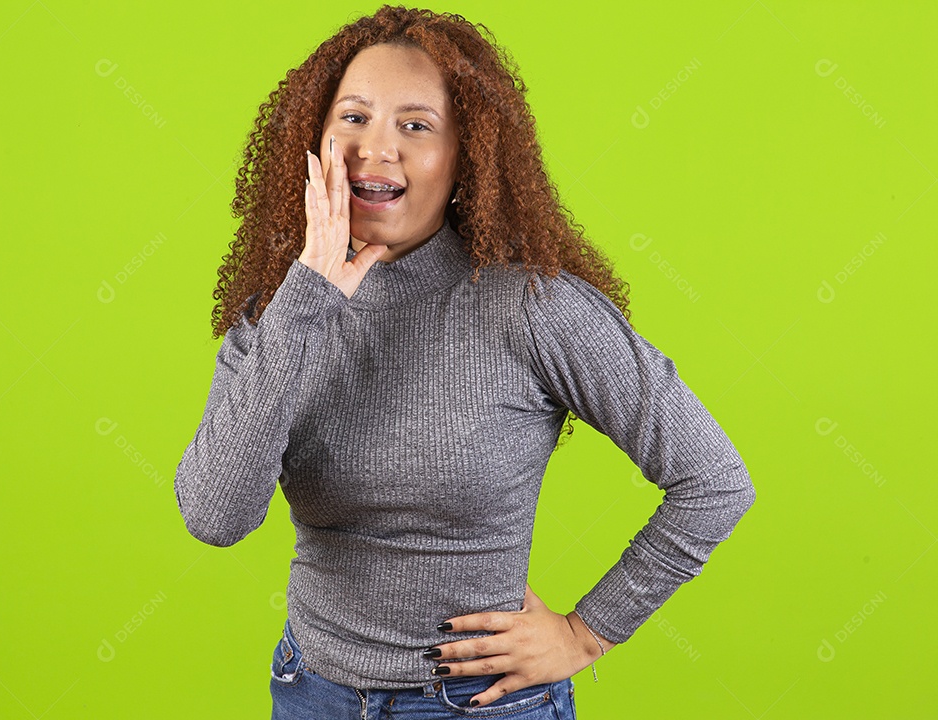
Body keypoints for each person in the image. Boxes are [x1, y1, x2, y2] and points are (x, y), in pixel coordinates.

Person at [173, 5, 756, 718]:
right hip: (311, 693)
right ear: (317, 139)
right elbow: (215, 515)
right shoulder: (279, 313)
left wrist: (584, 633)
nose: (375, 149)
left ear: (464, 159)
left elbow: (714, 479)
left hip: (480, 705)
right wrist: (307, 300)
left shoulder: (531, 307)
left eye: (414, 125)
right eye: (353, 118)